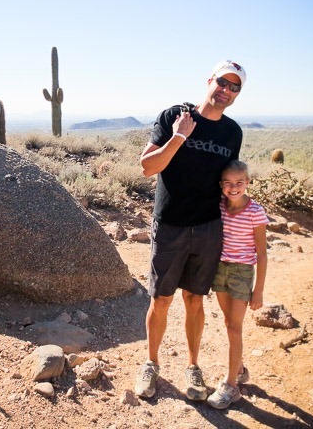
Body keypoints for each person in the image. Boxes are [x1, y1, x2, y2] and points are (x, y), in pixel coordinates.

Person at [135, 60, 246, 401]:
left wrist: (246, 220)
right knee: (161, 299)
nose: (226, 90)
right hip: (170, 223)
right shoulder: (174, 116)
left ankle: (193, 367)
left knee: (195, 299)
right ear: (210, 80)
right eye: (222, 82)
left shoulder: (232, 132)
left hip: (209, 227)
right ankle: (151, 363)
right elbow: (147, 167)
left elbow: (229, 181)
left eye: (235, 87)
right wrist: (180, 136)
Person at [206, 160, 269, 409]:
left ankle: (231, 386)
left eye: (239, 183)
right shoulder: (219, 206)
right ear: (221, 184)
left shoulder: (255, 212)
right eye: (228, 183)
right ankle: (240, 369)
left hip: (242, 273)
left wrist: (258, 290)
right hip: (220, 269)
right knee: (228, 322)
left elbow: (262, 253)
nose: (233, 188)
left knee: (235, 327)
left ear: (248, 183)